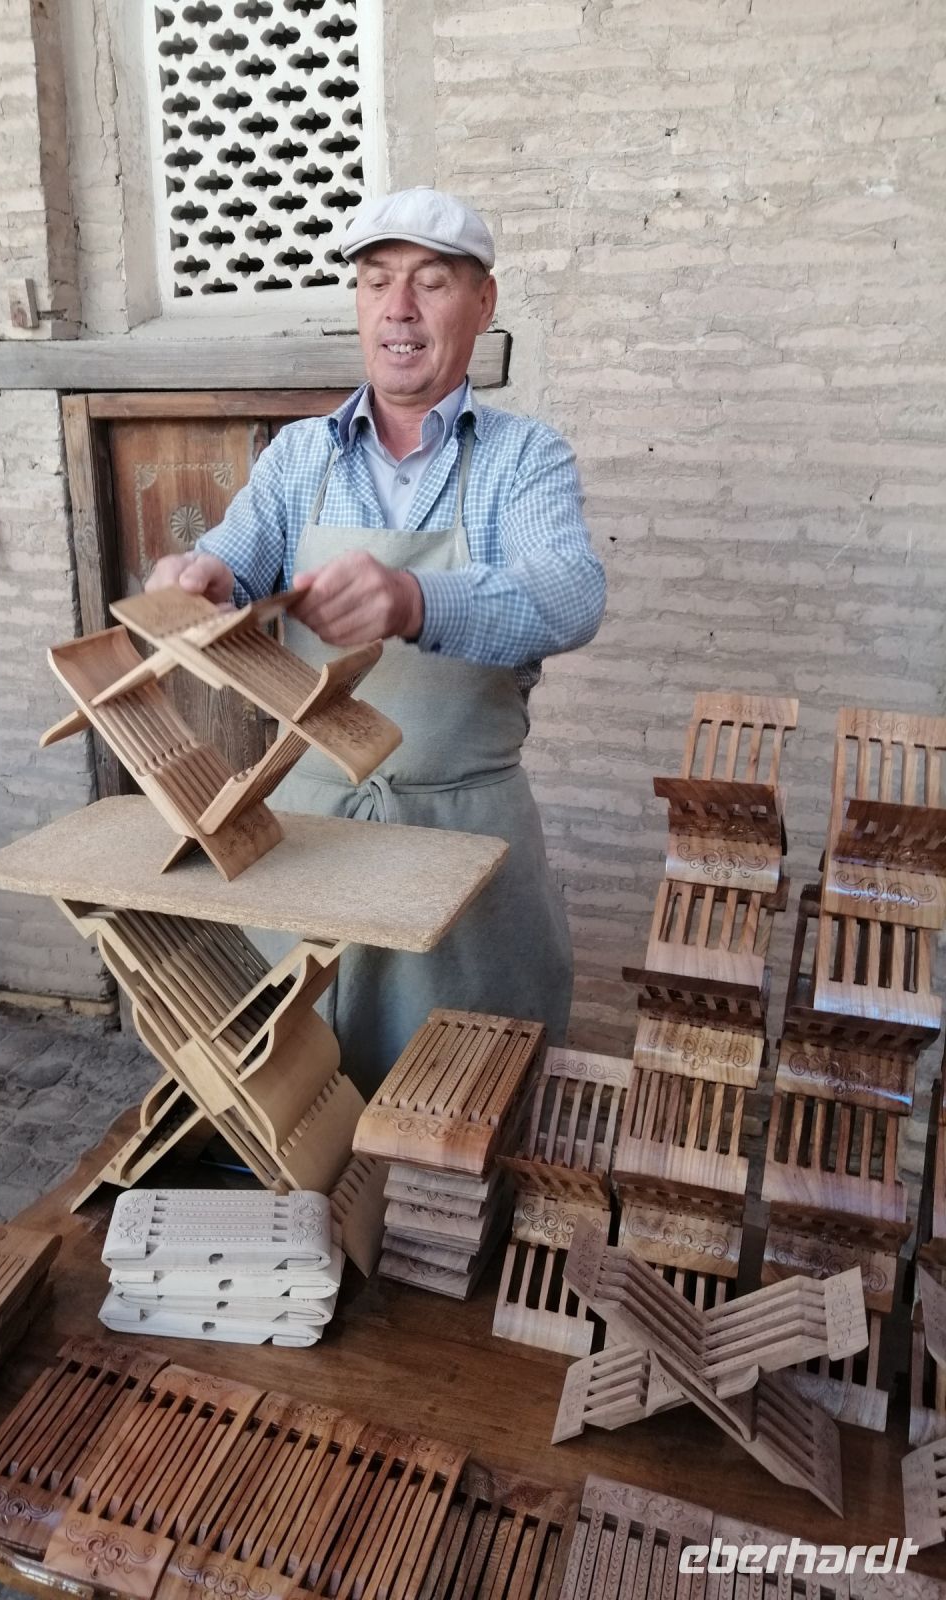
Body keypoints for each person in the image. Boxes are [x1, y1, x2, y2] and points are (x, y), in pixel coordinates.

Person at [146, 187, 606, 1095]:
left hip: (463, 847)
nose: (399, 309)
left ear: (483, 302)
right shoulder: (299, 458)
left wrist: (413, 599)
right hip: (309, 839)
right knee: (299, 1105)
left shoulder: (526, 459)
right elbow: (233, 559)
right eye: (375, 282)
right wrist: (200, 578)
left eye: (431, 284)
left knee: (460, 1109)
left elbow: (570, 594)